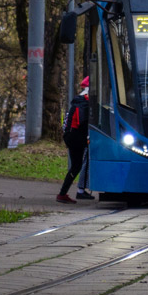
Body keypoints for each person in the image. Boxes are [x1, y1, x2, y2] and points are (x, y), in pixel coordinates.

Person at [58, 76, 90, 204]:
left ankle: (64, 193)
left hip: (71, 136)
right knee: (76, 166)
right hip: (77, 137)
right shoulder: (84, 102)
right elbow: (83, 122)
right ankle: (63, 193)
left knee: (76, 165)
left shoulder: (78, 101)